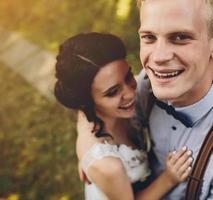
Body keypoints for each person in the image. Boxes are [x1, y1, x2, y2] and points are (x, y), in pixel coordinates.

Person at [54, 32, 193, 200]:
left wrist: (82, 159)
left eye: (128, 76)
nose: (130, 93)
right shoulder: (107, 165)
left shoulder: (88, 113)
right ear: (87, 102)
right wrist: (169, 178)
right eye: (112, 92)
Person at [135, 0, 213, 199]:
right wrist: (90, 143)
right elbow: (99, 99)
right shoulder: (148, 82)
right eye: (149, 37)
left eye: (180, 37)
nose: (159, 57)